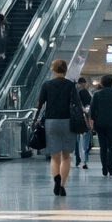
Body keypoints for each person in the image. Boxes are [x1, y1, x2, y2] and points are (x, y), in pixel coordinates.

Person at [37, 59, 81, 196]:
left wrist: (36, 119)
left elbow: (40, 104)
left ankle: (56, 180)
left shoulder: (47, 85)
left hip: (51, 121)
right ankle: (62, 185)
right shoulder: (71, 85)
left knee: (54, 157)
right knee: (66, 156)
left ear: (53, 69)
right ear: (65, 70)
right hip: (68, 121)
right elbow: (77, 104)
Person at [90, 74, 112, 176]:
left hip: (100, 123)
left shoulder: (97, 94)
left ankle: (104, 167)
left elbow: (93, 109)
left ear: (102, 83)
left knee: (103, 146)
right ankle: (110, 166)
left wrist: (93, 119)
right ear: (111, 83)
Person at [76, 76, 94, 168]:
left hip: (75, 120)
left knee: (77, 140)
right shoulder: (84, 92)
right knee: (85, 140)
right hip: (85, 119)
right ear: (83, 83)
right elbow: (89, 104)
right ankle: (84, 160)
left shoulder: (74, 92)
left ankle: (77, 159)